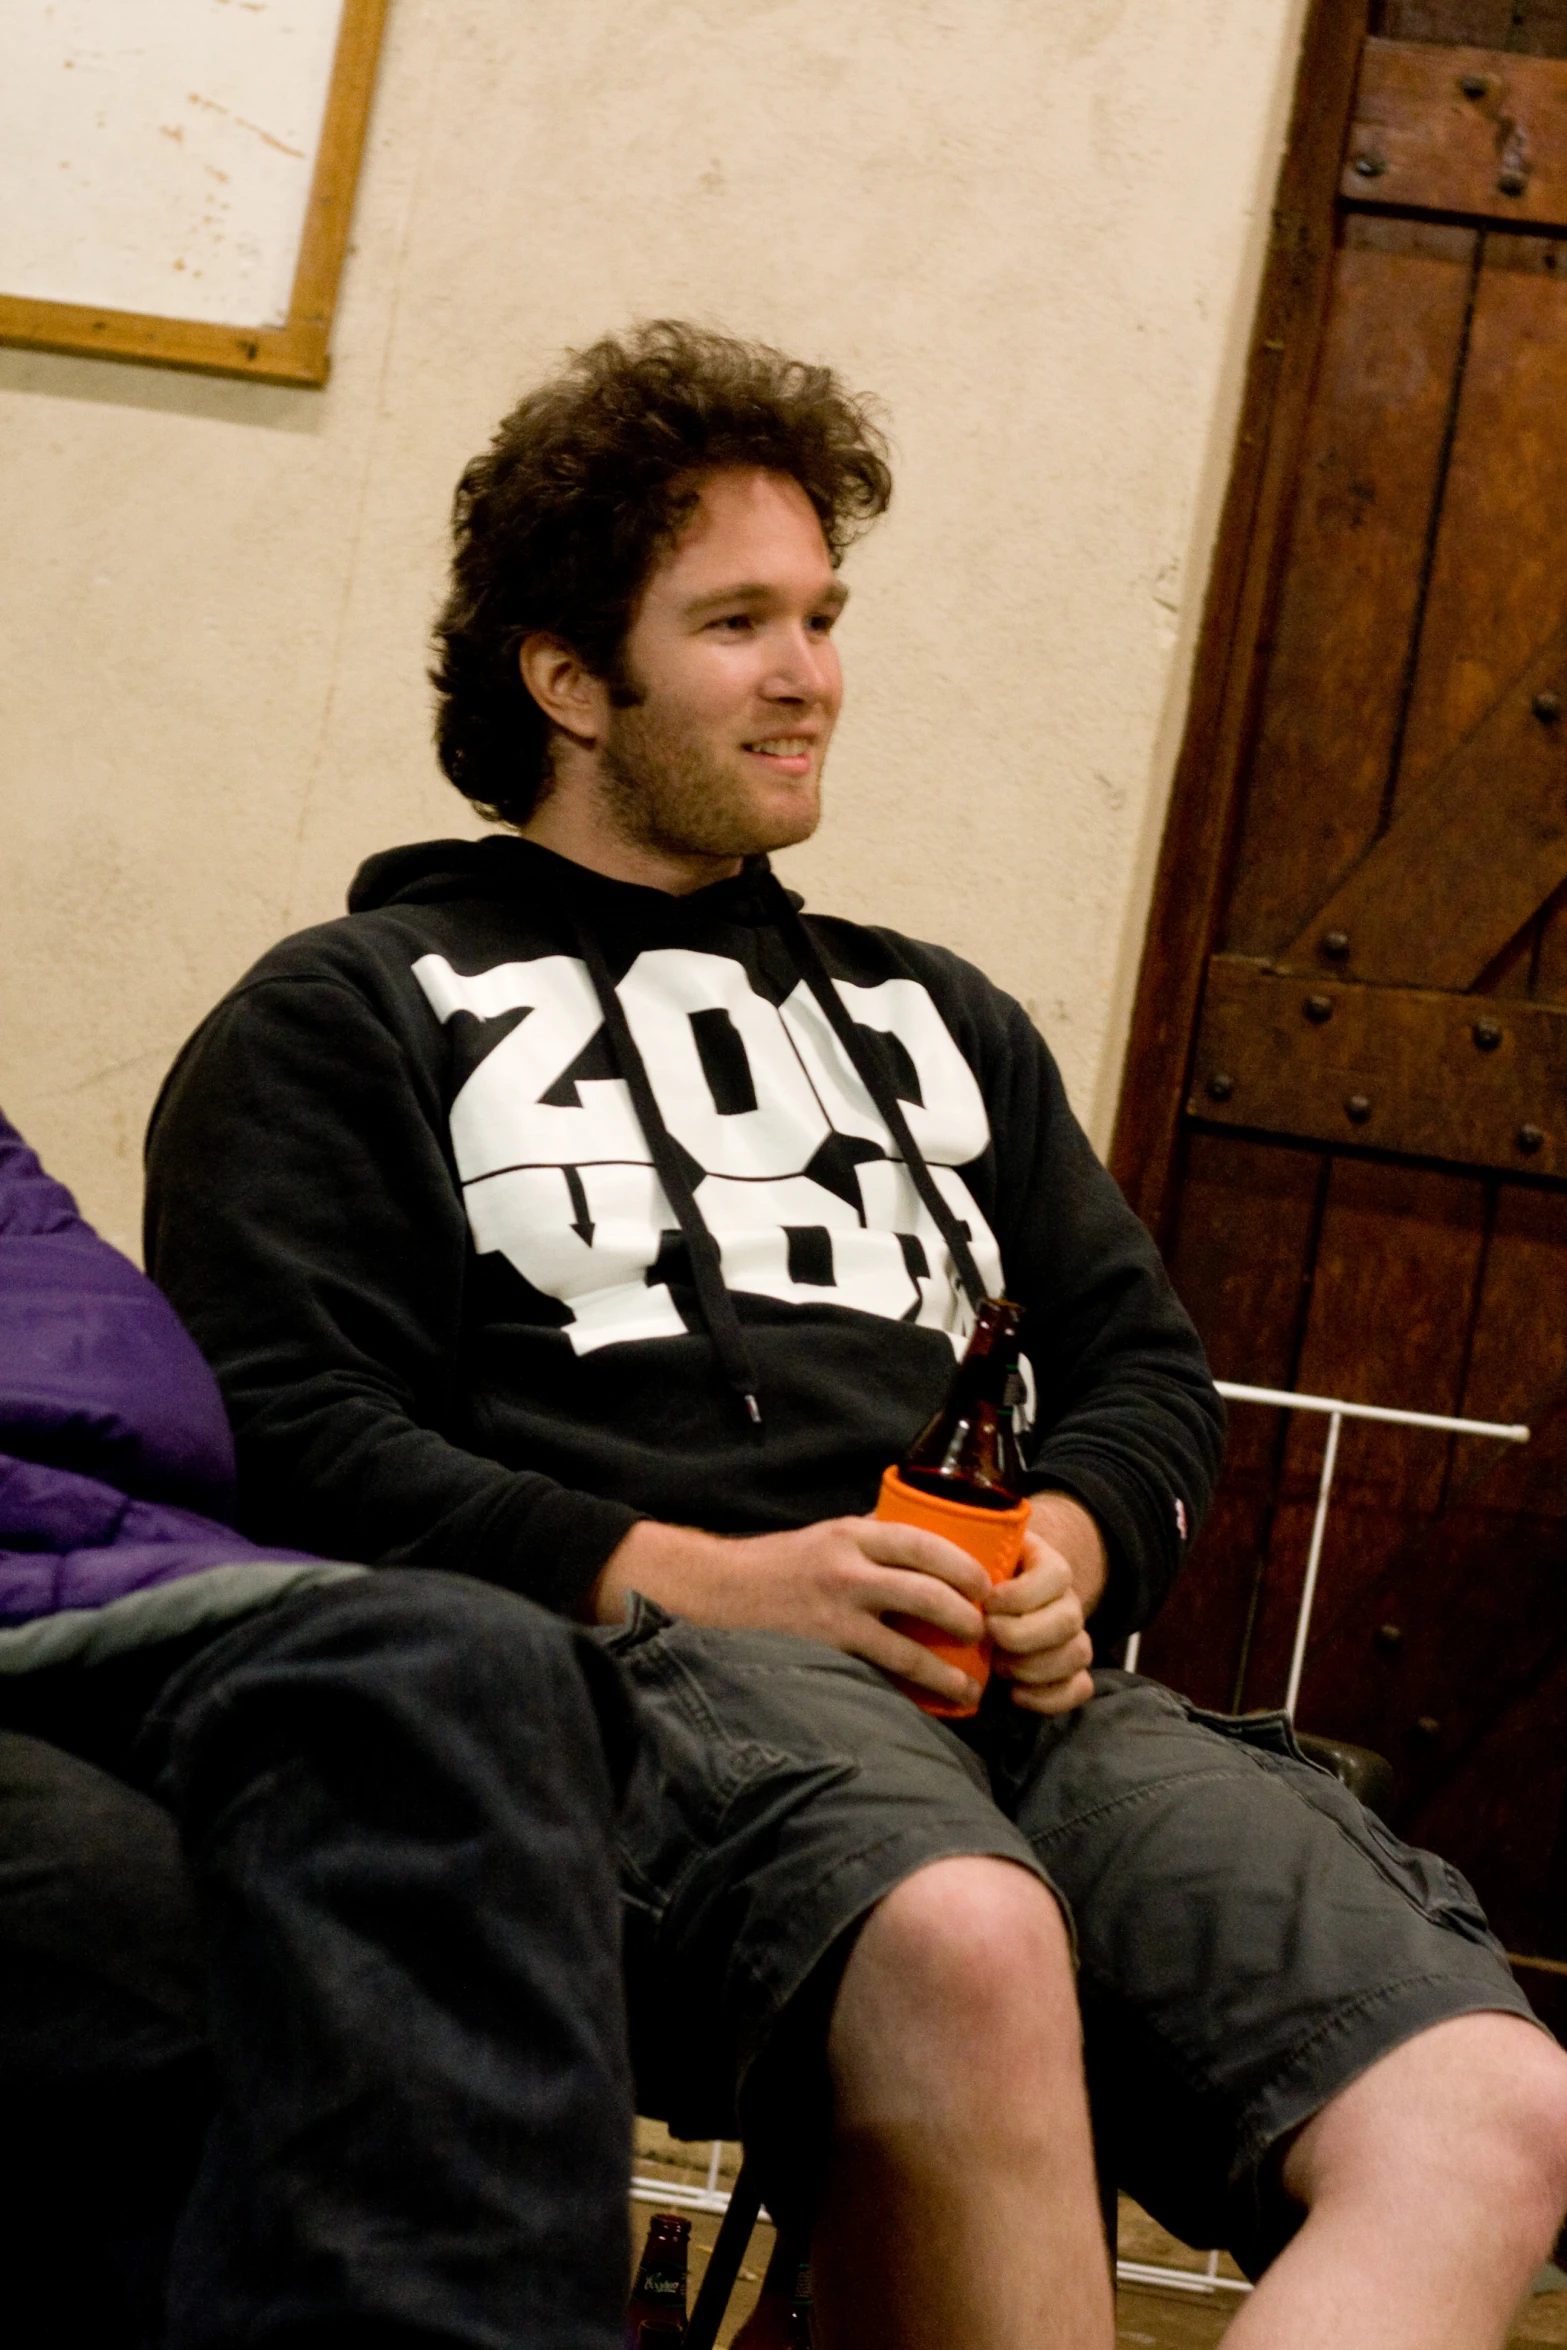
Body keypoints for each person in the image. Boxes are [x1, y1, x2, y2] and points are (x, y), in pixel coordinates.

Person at [144, 321, 1567, 2350]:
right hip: (624, 1704)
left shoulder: (936, 1018)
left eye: (820, 612)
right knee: (967, 1934)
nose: (810, 669)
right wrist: (726, 1578)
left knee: (1491, 2100)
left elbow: (1144, 1371)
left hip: (1011, 1704)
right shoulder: (351, 1006)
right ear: (565, 675)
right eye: (735, 621)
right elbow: (284, 1429)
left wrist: (1065, 1558)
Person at [0, 1106, 638, 2350]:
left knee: (469, 1660)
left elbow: (120, 1380)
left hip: (110, 1559)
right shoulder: (340, 1007)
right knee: (195, 1943)